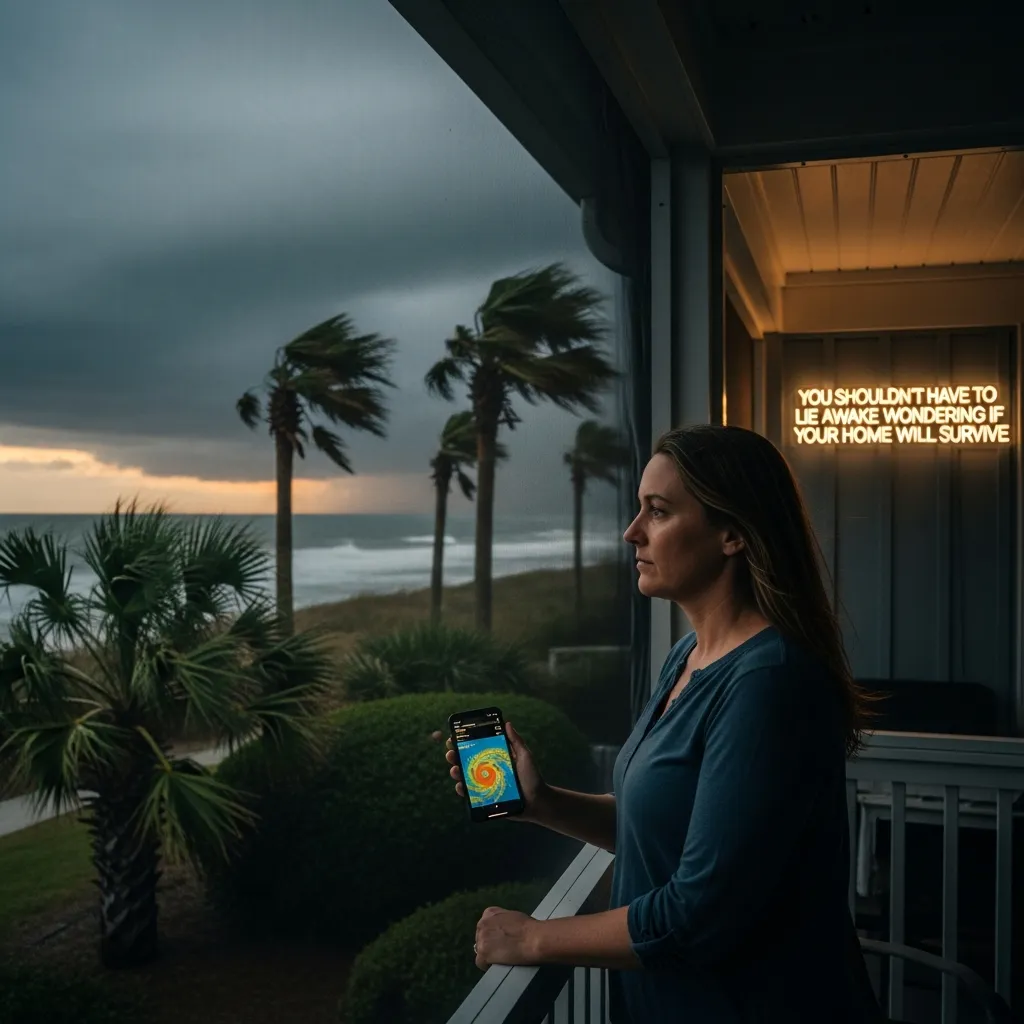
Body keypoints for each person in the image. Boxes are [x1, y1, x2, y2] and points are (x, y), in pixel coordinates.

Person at [443, 423, 883, 1023]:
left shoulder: (768, 683)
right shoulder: (689, 656)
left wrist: (534, 939)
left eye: (658, 512)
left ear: (732, 533)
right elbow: (672, 831)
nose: (632, 533)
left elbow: (696, 916)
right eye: (637, 510)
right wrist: (541, 802)